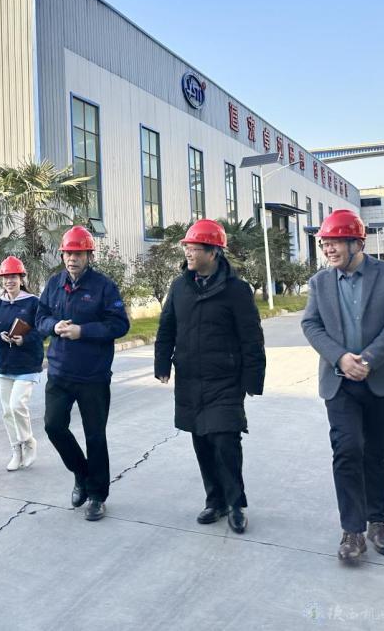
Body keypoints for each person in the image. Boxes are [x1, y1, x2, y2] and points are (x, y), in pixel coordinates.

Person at [301, 209, 384, 562]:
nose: (329, 249)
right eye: (325, 243)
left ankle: (378, 523)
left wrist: (367, 360)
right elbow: (311, 324)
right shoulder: (320, 282)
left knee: (376, 453)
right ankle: (352, 531)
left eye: (335, 242)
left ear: (357, 243)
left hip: (382, 380)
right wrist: (340, 358)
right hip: (339, 383)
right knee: (347, 449)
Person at [154, 219, 266, 534]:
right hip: (189, 378)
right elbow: (166, 327)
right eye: (187, 248)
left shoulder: (236, 290)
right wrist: (162, 363)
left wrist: (253, 379)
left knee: (225, 439)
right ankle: (215, 501)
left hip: (225, 379)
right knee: (201, 440)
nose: (188, 253)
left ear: (213, 251)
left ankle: (235, 503)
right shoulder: (179, 287)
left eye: (194, 248)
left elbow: (251, 337)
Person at [36, 225, 130, 521]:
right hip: (60, 372)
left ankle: (97, 496)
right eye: (68, 253)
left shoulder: (104, 287)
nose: (72, 258)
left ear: (89, 256)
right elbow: (40, 317)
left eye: (78, 253)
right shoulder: (54, 284)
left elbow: (120, 325)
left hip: (93, 376)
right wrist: (53, 327)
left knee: (95, 437)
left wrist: (83, 331)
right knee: (53, 426)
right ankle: (81, 473)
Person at [0, 256, 45, 471]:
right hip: (4, 364)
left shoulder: (33, 302)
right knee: (7, 411)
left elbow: (42, 329)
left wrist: (24, 339)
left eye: (13, 277)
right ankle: (16, 450)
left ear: (21, 278)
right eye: (6, 277)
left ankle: (29, 442)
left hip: (27, 364)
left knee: (17, 405)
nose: (9, 281)